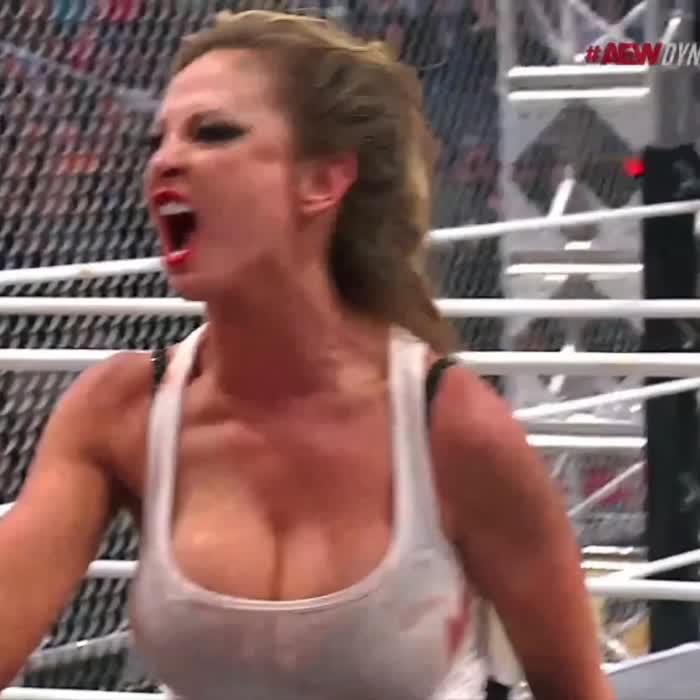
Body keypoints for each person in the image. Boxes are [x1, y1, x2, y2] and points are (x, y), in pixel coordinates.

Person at [0, 9, 614, 700]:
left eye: (213, 133)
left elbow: (575, 688)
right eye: (158, 138)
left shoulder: (452, 427)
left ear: (321, 181)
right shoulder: (119, 412)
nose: (165, 159)